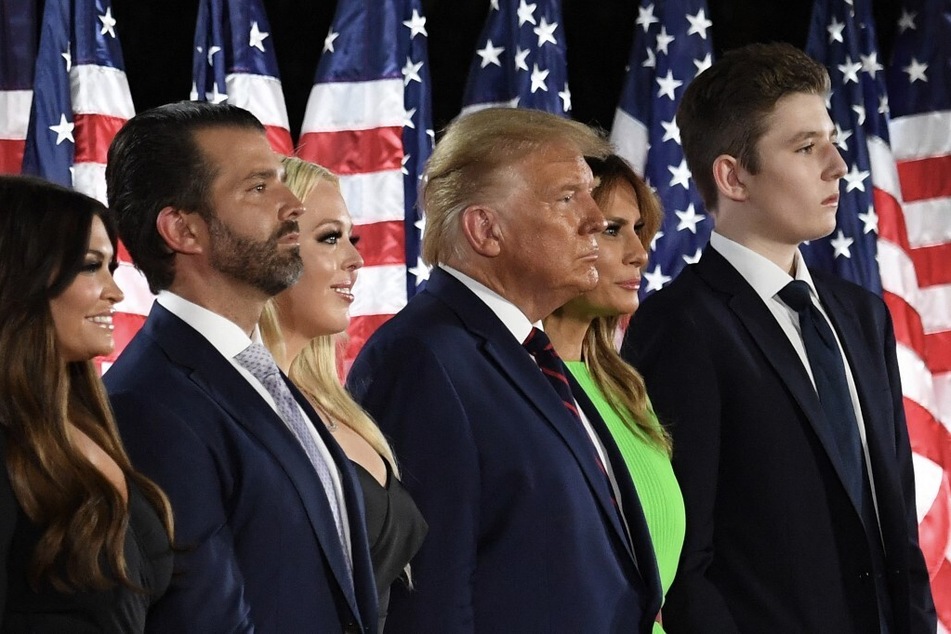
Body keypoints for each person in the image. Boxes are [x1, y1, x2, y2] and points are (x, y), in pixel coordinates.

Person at [622, 42, 936, 633]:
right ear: (733, 176)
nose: (838, 165)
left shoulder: (863, 315)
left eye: (832, 140)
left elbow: (896, 529)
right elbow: (686, 563)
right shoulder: (680, 325)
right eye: (805, 147)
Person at [347, 107, 663, 633]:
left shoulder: (528, 351)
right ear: (485, 230)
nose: (593, 218)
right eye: (567, 197)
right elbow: (430, 599)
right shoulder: (421, 361)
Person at [102, 102, 378, 633]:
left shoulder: (260, 373)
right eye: (259, 187)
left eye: (281, 180)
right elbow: (204, 618)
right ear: (183, 231)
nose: (293, 204)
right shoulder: (149, 405)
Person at [260, 156, 427, 631]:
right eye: (330, 238)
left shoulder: (341, 406)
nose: (355, 260)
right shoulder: (236, 406)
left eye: (351, 238)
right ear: (269, 249)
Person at [0, 175, 174, 632]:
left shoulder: (94, 427)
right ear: (24, 274)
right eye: (90, 265)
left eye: (111, 268)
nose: (114, 292)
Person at [542, 154, 684, 633]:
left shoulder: (627, 387)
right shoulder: (512, 384)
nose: (639, 252)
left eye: (639, 229)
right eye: (611, 230)